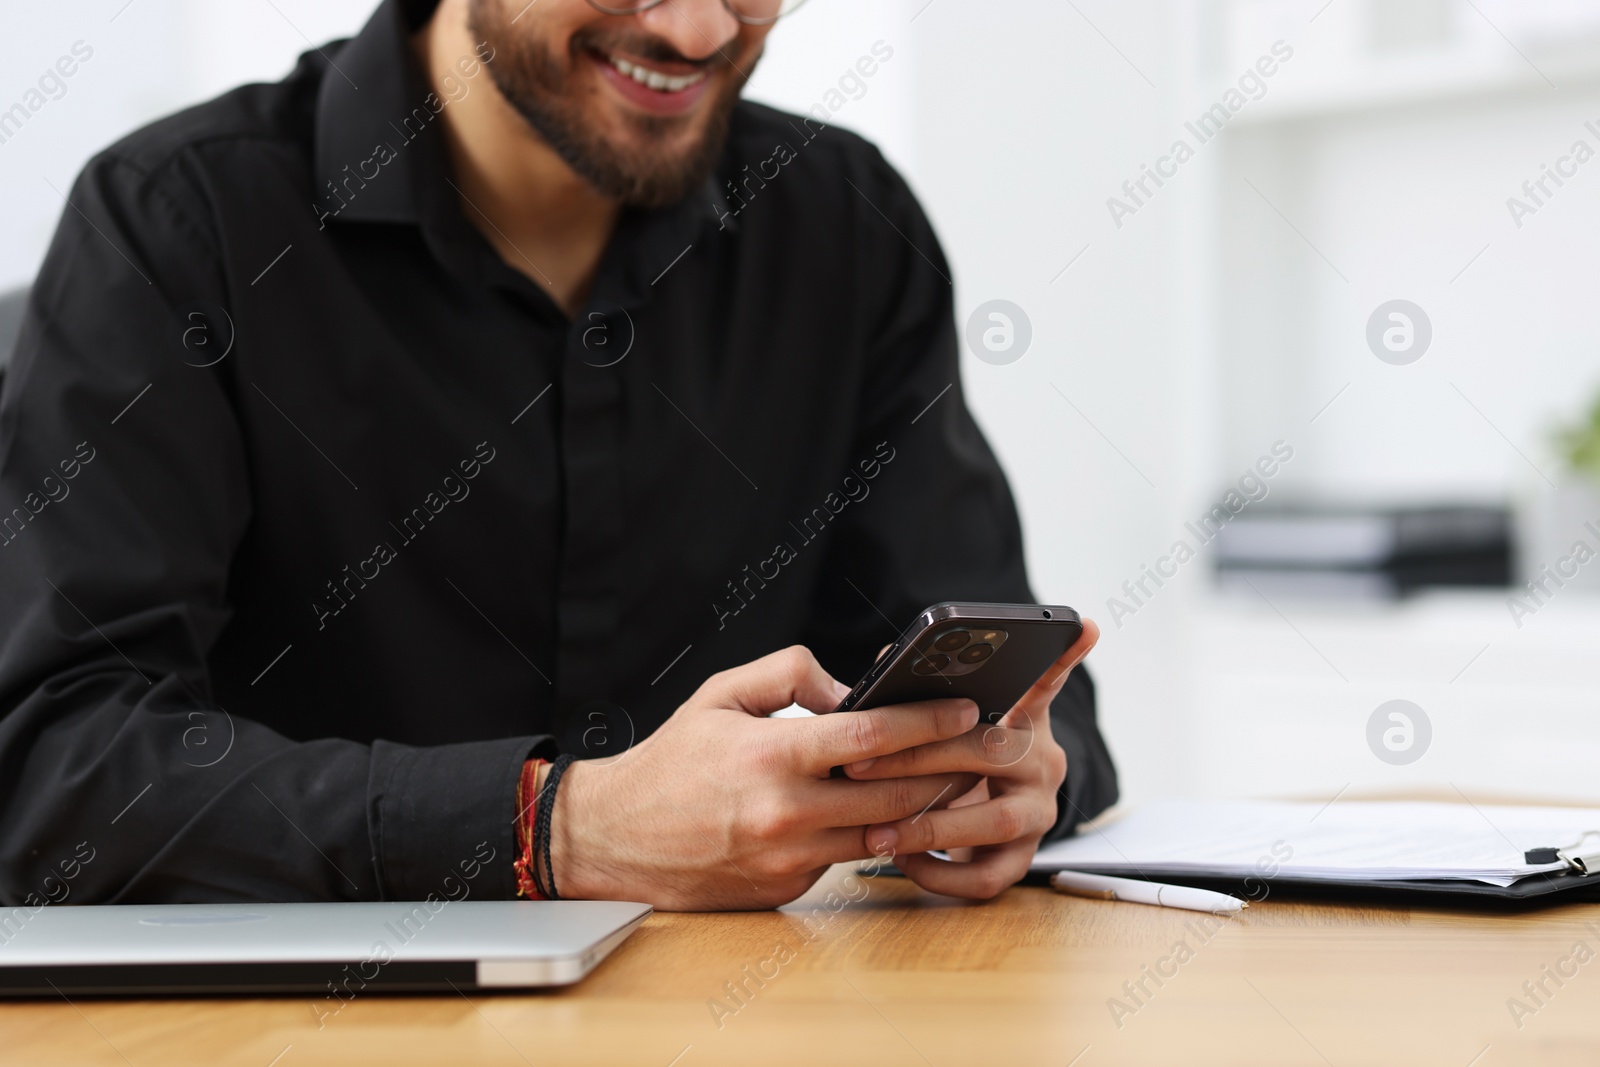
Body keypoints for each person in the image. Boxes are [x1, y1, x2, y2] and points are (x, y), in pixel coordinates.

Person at [0, 0, 1116, 910]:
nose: (695, 31)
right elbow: (53, 769)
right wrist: (553, 827)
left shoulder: (846, 224)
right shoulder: (174, 224)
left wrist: (1006, 771)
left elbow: (1003, 670)